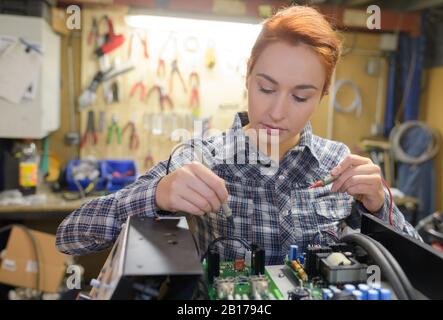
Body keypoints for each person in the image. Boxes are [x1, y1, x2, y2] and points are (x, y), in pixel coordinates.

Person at [56, 6, 420, 264]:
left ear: (322, 95)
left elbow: (421, 269)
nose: (278, 111)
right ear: (248, 77)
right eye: (266, 88)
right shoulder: (198, 159)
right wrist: (156, 194)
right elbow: (71, 235)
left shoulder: (338, 165)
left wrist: (380, 207)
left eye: (300, 96)